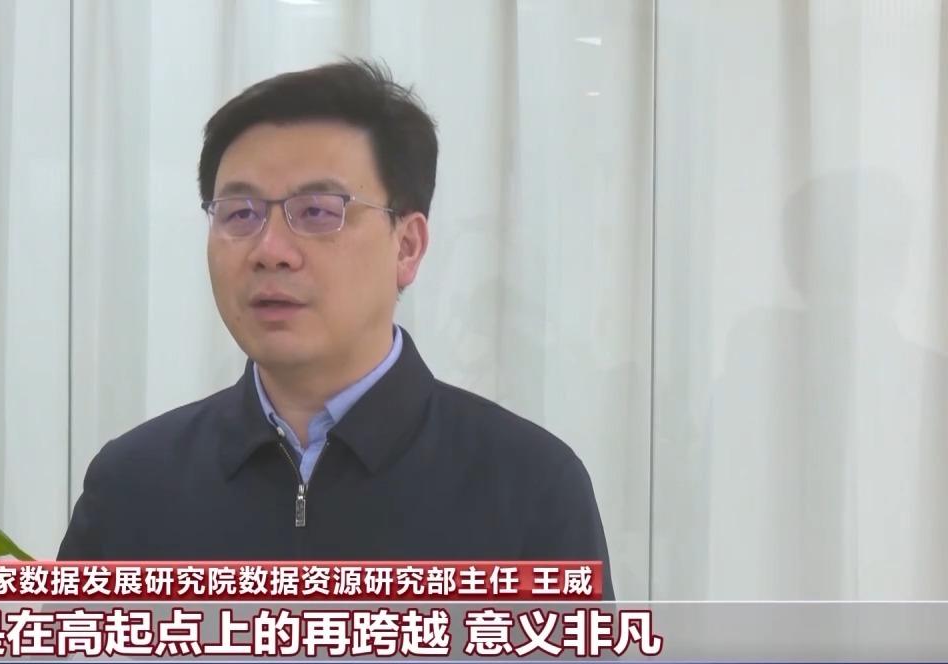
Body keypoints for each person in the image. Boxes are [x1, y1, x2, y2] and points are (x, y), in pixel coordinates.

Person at [58, 59, 614, 598]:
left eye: (318, 212)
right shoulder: (132, 486)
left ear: (407, 246)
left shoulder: (530, 487)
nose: (270, 250)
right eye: (240, 213)